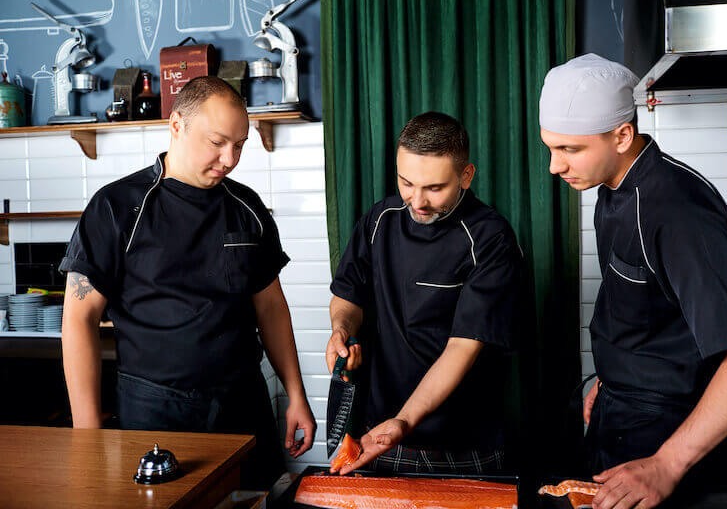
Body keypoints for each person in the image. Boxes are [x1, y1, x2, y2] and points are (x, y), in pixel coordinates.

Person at [59, 76, 315, 487]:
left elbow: (271, 308)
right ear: (176, 124)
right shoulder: (117, 207)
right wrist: (86, 435)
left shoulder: (247, 207)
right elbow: (78, 320)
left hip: (244, 404)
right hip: (155, 412)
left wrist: (296, 395)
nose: (230, 158)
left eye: (240, 144)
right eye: (217, 142)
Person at [539, 53, 727, 508]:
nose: (554, 167)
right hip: (622, 413)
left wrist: (666, 464)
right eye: (551, 147)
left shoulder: (677, 210)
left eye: (569, 149)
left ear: (623, 135)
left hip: (669, 434)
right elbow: (647, 305)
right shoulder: (612, 186)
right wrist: (611, 377)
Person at [326, 112, 528, 475]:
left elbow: (462, 347)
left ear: (466, 176)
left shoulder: (490, 238)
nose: (416, 201)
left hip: (464, 442)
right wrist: (342, 329)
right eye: (406, 183)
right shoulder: (379, 220)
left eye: (434, 188)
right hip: (380, 432)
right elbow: (348, 294)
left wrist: (405, 419)